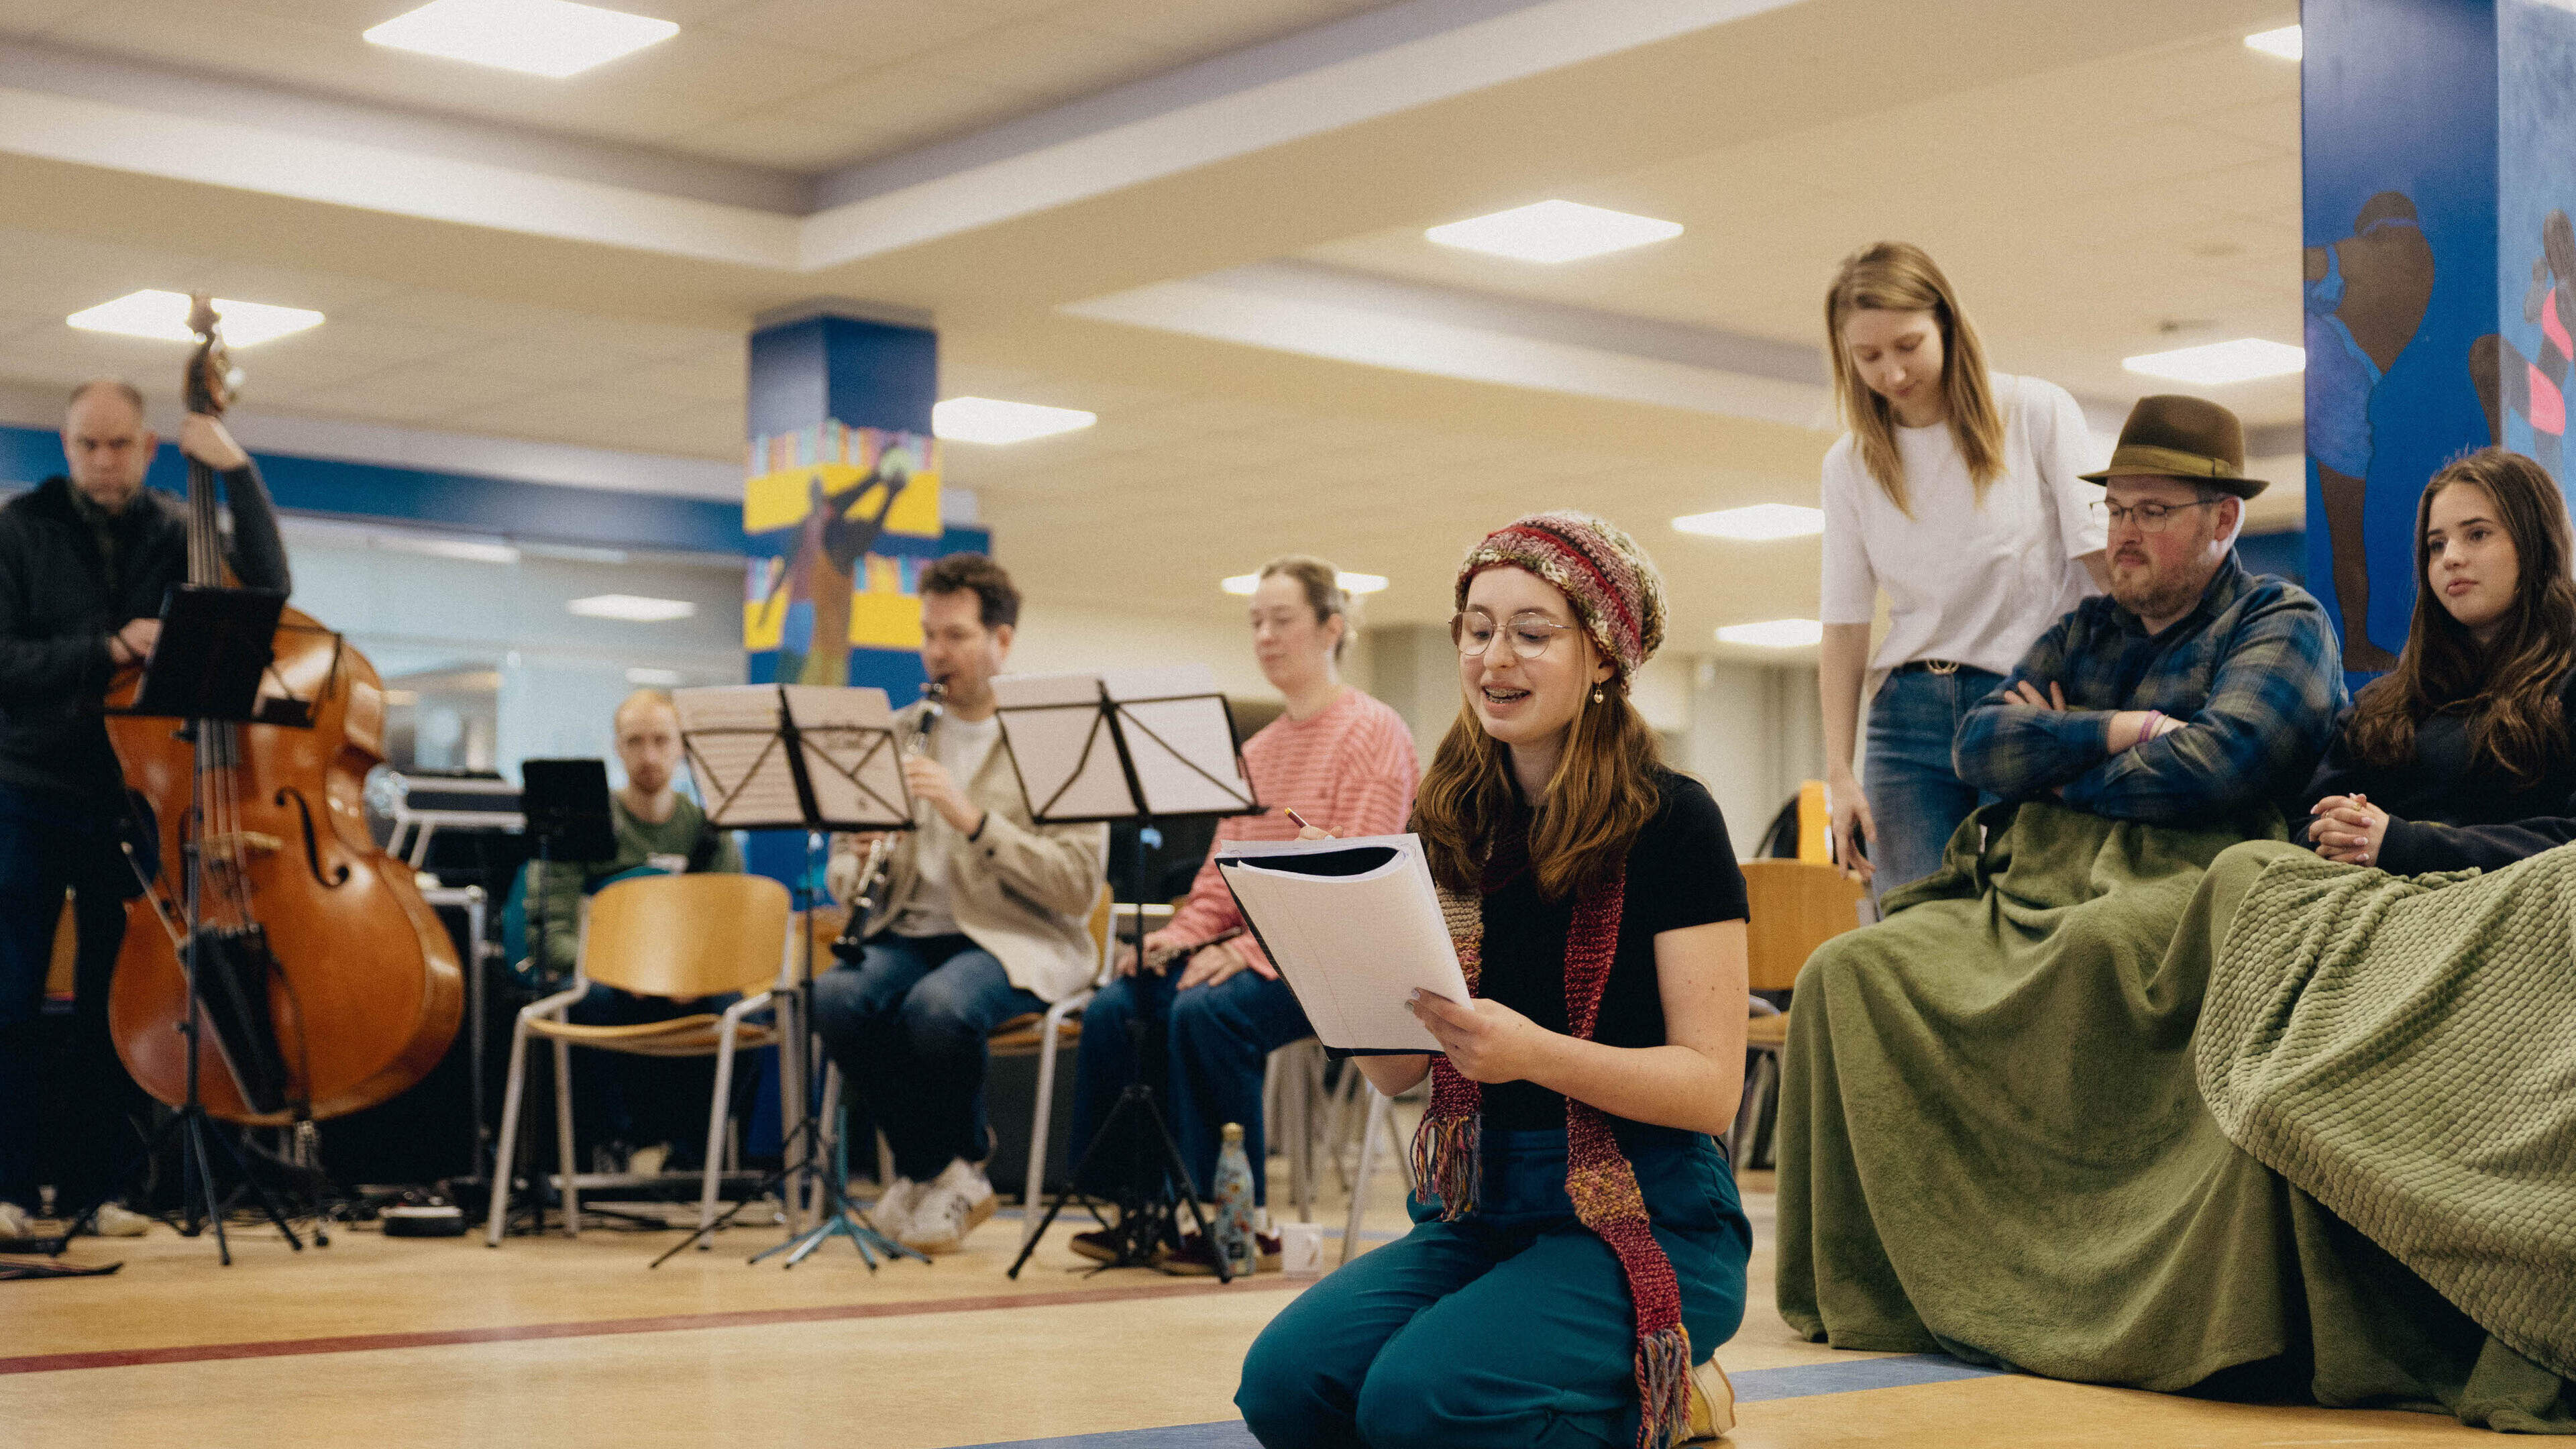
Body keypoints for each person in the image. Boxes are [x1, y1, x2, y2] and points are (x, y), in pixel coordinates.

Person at [1772, 402, 2576, 1425]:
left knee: (2115, 942)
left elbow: (2219, 766)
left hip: (2202, 881)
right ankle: (1902, 1281)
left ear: (2222, 522)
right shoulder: (2112, 635)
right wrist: (2123, 732)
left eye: (2154, 510)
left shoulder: (2280, 622)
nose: (2125, 533)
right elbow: (1978, 749)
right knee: (1851, 970)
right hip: (2049, 879)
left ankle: (2096, 1278)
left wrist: (2059, 752)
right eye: (2117, 510)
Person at [1238, 511, 1750, 1449]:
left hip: (1650, 1209)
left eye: (1531, 632)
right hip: (1486, 1207)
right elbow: (1398, 1075)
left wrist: (1534, 1055)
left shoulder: (1677, 820)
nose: (1492, 658)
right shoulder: (1451, 820)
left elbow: (1712, 1087)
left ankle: (1674, 1396)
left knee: (1417, 1403)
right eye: (1477, 629)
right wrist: (1340, 940)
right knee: (1284, 1388)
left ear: (1604, 658)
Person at [1064, 555, 1417, 1271]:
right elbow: (1220, 881)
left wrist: (1254, 953)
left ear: (1332, 629)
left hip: (1331, 954)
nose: (1263, 635)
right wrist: (1178, 939)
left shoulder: (1373, 731)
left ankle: (1235, 1220)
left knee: (1209, 1012)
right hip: (1256, 949)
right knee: (1119, 1004)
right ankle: (1143, 1207)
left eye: (1281, 620)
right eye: (1255, 621)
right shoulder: (1254, 752)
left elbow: (1352, 879)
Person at [0, 379, 288, 1240]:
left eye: (119, 445)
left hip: (131, 798)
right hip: (26, 788)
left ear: (149, 445)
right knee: (9, 998)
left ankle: (104, 1190)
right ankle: (8, 1191)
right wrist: (109, 646)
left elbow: (267, 585)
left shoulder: (174, 527)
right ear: (66, 445)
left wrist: (236, 471)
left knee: (111, 1002)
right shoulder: (16, 531)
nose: (103, 460)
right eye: (88, 445)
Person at [814, 553, 1107, 1255]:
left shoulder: (1056, 738)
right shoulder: (895, 730)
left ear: (1002, 641)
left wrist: (973, 819)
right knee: (833, 997)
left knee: (936, 1011)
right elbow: (842, 871)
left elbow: (1077, 885)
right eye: (929, 635)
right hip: (908, 930)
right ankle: (939, 1171)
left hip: (1016, 937)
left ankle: (960, 1159)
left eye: (957, 636)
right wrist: (857, 856)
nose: (937, 652)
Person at [1817, 241, 2109, 894]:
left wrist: (2100, 688)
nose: (1892, 373)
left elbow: (2102, 567)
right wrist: (1839, 771)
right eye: (1868, 357)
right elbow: (1844, 628)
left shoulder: (2035, 412)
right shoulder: (1852, 462)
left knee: (2031, 915)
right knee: (1913, 934)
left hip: (2023, 697)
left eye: (1908, 345)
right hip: (1906, 714)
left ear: (1946, 323)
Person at [2303, 447, 2576, 869]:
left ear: (2536, 544)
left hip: (2515, 911)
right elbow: (2305, 820)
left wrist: (2404, 844)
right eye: (2436, 544)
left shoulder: (2567, 683)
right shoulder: (2386, 702)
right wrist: (2339, 828)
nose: (2450, 558)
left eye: (2478, 534)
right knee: (2243, 861)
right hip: (2369, 899)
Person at [521, 688, 746, 1174]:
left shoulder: (708, 830)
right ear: (618, 748)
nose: (650, 755)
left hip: (681, 984)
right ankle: (613, 1146)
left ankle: (693, 1160)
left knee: (735, 1008)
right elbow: (550, 933)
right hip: (608, 980)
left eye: (662, 741)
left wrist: (690, 975)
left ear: (682, 746)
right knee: (589, 1001)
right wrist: (623, 969)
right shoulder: (581, 821)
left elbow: (726, 928)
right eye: (635, 741)